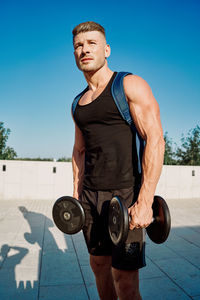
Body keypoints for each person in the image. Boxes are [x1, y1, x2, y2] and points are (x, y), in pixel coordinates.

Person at [71, 21, 165, 300]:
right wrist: (77, 195)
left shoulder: (128, 84)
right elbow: (79, 151)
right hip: (90, 196)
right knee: (98, 265)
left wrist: (145, 201)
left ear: (107, 49)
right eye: (78, 45)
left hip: (125, 195)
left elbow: (155, 140)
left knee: (124, 279)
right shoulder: (77, 102)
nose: (84, 50)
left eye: (91, 43)